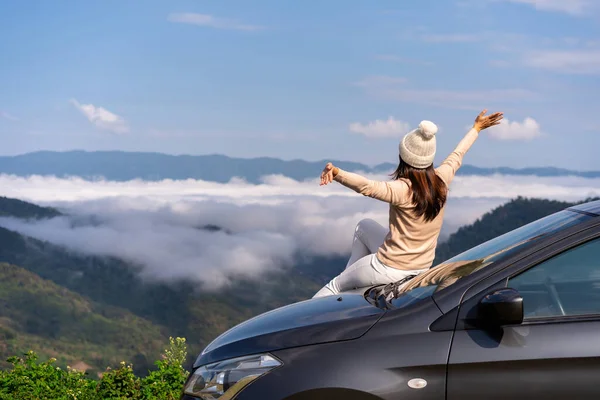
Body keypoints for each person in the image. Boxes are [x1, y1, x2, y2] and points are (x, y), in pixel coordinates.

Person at [313, 109, 504, 298]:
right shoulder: (442, 180)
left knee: (335, 285)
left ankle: (302, 321)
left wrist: (337, 173)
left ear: (403, 158)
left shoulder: (402, 189)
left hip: (389, 268)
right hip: (420, 268)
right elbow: (457, 155)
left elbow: (366, 186)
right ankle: (353, 286)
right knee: (364, 226)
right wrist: (476, 128)